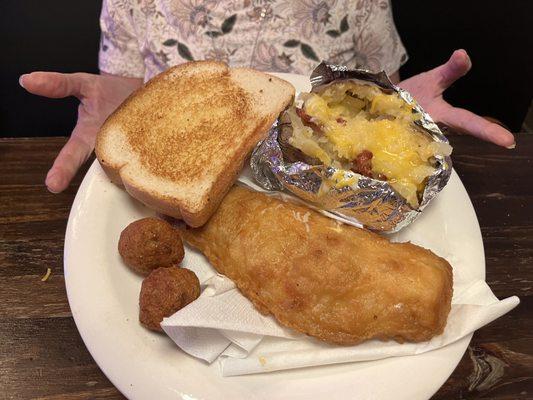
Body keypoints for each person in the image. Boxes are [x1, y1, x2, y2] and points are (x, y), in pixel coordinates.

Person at [18, 0, 515, 194]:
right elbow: (133, 84)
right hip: (175, 177)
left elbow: (380, 88)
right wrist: (121, 103)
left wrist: (399, 110)